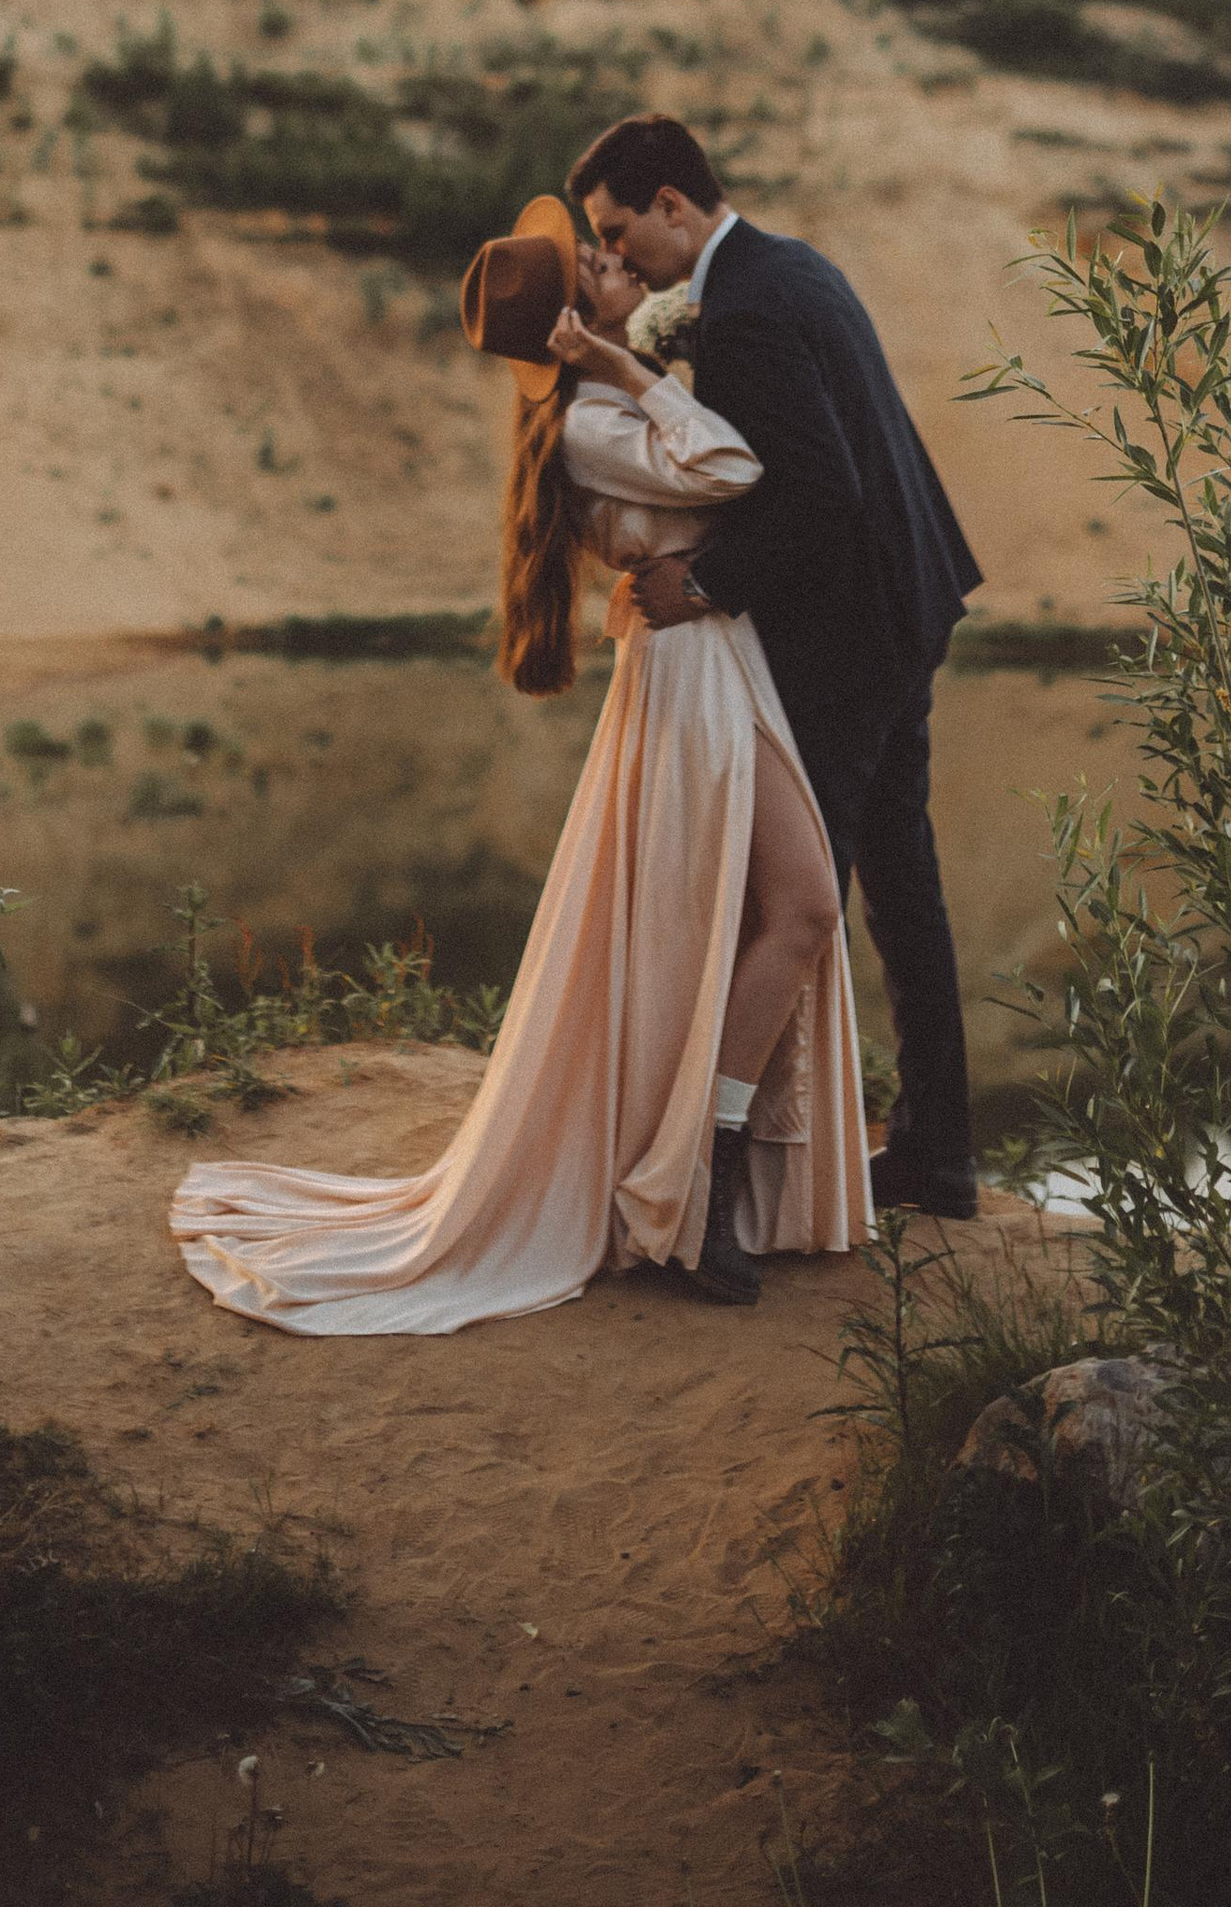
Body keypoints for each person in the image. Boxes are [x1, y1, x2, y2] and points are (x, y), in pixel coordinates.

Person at [169, 194, 866, 1333]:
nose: (608, 261)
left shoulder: (600, 411)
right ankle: (696, 1174)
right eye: (589, 268)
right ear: (568, 325)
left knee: (796, 910)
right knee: (796, 909)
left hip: (712, 664)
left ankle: (708, 1163)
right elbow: (734, 466)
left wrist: (628, 362)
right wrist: (629, 369)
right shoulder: (598, 422)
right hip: (692, 685)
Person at [566, 114, 983, 1220]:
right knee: (900, 888)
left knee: (800, 900)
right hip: (912, 594)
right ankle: (934, 1154)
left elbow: (820, 489)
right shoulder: (788, 265)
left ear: (671, 204)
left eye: (619, 228)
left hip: (847, 629)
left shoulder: (742, 309)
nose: (616, 254)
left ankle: (768, 1166)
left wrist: (702, 587)